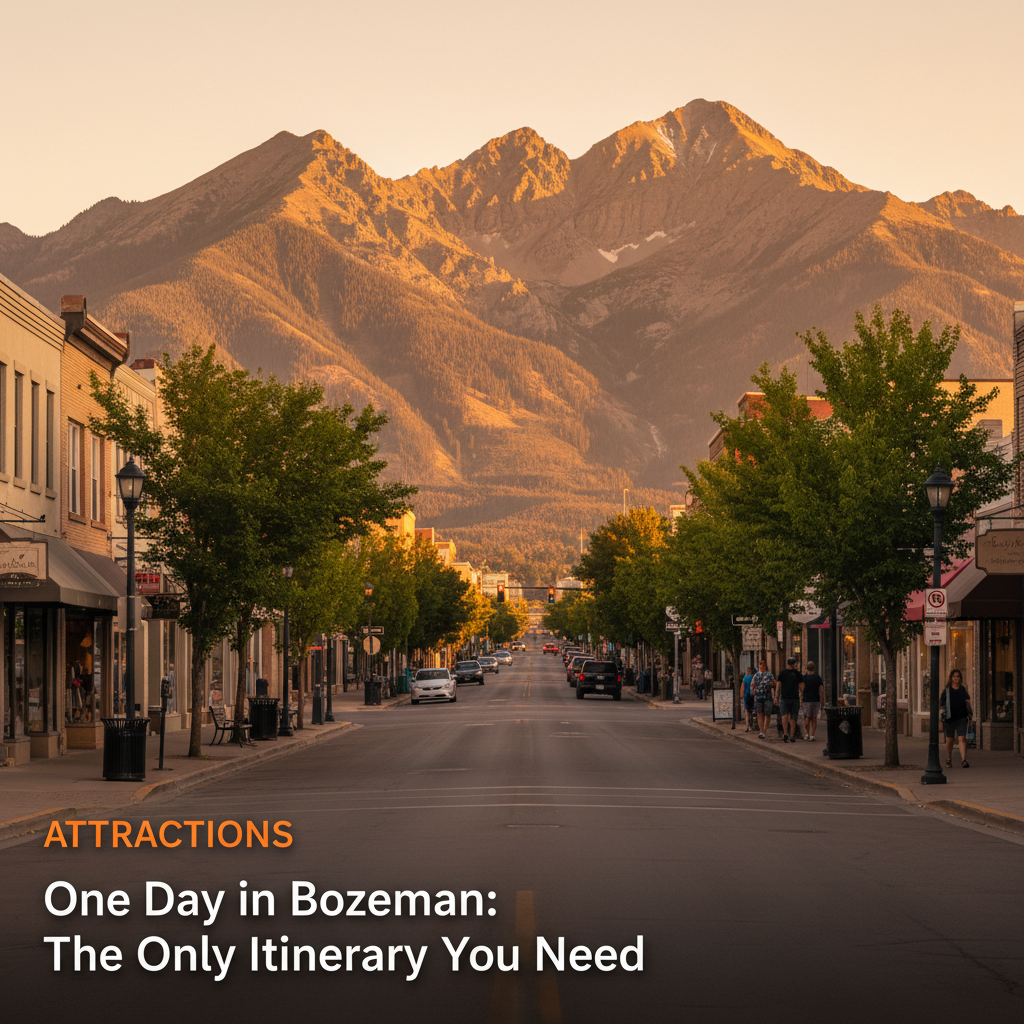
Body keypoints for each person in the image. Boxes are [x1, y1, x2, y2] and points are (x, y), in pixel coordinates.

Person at [942, 669, 974, 768]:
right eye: (954, 676)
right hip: (950, 718)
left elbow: (967, 702)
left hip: (962, 717)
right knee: (950, 740)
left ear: (960, 678)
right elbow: (941, 703)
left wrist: (970, 715)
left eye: (958, 676)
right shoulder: (947, 690)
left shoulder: (963, 689)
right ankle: (949, 759)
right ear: (951, 678)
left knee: (962, 738)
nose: (956, 678)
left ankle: (964, 760)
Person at [776, 656, 803, 743]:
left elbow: (778, 685)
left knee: (784, 715)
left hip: (784, 697)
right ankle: (792, 736)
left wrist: (776, 696)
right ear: (794, 664)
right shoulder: (797, 674)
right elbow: (802, 687)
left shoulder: (782, 673)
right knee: (793, 717)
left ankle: (785, 734)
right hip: (794, 697)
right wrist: (801, 692)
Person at [752, 659, 775, 739]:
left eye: (763, 664)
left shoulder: (769, 675)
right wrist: (754, 693)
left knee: (767, 714)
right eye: (760, 664)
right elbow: (753, 685)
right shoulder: (756, 675)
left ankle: (764, 730)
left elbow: (773, 683)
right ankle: (761, 731)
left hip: (767, 697)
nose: (761, 666)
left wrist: (771, 685)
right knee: (759, 713)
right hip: (759, 697)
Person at [801, 660, 823, 741]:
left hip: (806, 700)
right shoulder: (818, 678)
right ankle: (812, 735)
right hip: (816, 700)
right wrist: (823, 700)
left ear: (807, 668)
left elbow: (801, 689)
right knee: (814, 718)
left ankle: (807, 733)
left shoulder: (804, 678)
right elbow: (821, 690)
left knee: (807, 717)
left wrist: (800, 696)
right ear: (814, 669)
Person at [741, 664, 756, 731]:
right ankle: (753, 724)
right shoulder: (754, 677)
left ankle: (747, 725)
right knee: (754, 710)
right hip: (753, 695)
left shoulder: (745, 678)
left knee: (747, 711)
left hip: (746, 696)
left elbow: (742, 687)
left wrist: (741, 695)